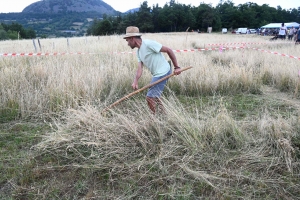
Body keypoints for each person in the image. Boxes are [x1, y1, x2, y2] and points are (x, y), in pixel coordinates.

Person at [123, 26, 181, 114]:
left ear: (132, 38)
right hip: (157, 74)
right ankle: (164, 113)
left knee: (149, 97)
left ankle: (153, 119)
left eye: (127, 40)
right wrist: (135, 81)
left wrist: (177, 67)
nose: (127, 43)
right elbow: (140, 69)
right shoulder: (139, 52)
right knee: (156, 95)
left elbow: (169, 50)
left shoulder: (149, 44)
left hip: (163, 71)